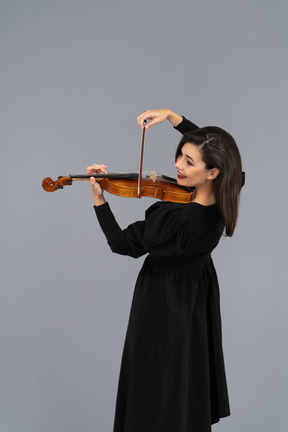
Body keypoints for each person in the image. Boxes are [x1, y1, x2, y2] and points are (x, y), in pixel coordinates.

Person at [87, 109, 243, 432]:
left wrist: (99, 197)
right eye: (180, 156)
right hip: (196, 298)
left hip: (163, 301)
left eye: (189, 162)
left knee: (155, 385)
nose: (177, 166)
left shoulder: (176, 221)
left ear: (212, 173)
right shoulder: (229, 187)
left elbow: (121, 243)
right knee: (184, 378)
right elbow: (221, 155)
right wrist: (174, 118)